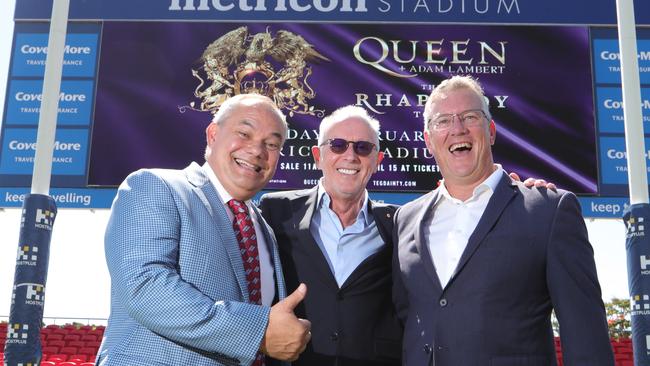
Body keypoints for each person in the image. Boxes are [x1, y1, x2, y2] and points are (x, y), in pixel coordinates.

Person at [392, 75, 614, 366]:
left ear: (491, 131)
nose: (457, 129)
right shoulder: (404, 219)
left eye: (470, 116)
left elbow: (586, 337)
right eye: (443, 121)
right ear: (428, 141)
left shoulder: (548, 211)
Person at [97, 94, 311, 366]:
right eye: (244, 133)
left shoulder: (263, 229)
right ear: (212, 134)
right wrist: (257, 334)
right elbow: (145, 287)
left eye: (271, 144)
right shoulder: (155, 186)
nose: (257, 151)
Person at [258, 106, 403, 366]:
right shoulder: (275, 210)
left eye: (362, 147)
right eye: (337, 145)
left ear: (378, 159)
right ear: (318, 155)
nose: (350, 156)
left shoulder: (399, 223)